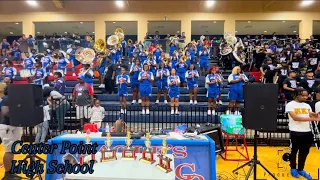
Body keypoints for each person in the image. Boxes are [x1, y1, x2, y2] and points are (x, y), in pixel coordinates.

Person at [285, 88, 320, 179]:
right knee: (294, 151)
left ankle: (301, 169)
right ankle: (293, 168)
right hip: (296, 131)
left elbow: (309, 113)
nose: (306, 97)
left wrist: (315, 114)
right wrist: (312, 119)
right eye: (303, 95)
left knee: (304, 152)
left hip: (307, 131)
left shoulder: (307, 105)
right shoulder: (290, 105)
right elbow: (295, 117)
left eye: (306, 95)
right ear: (297, 95)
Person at [0, 87, 23, 179]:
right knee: (8, 151)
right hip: (7, 127)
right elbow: (5, 112)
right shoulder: (6, 98)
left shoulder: (12, 99)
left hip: (12, 126)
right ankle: (7, 174)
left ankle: (11, 172)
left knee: (12, 151)